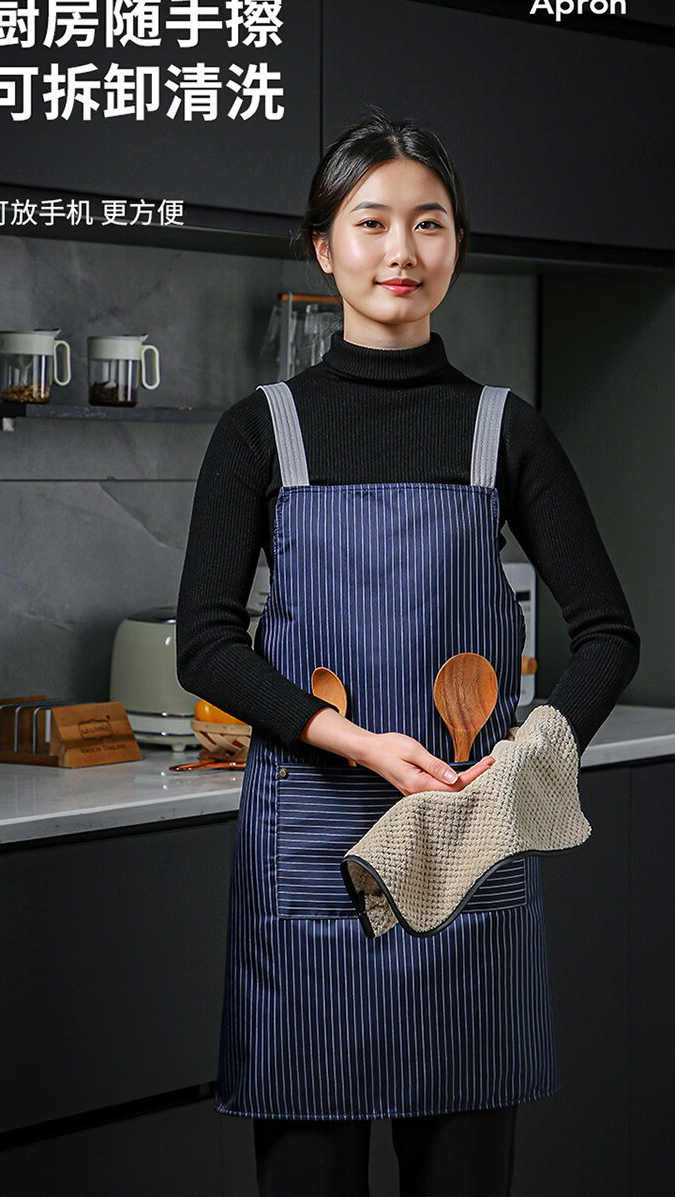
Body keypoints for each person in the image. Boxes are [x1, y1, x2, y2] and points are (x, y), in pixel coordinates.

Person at [175, 111, 640, 1197]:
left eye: (429, 223)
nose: (402, 251)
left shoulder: (505, 429)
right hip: (309, 855)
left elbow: (610, 633)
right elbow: (205, 642)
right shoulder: (261, 429)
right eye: (371, 221)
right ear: (323, 246)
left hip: (464, 838)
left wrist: (530, 753)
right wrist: (354, 741)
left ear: (457, 245)